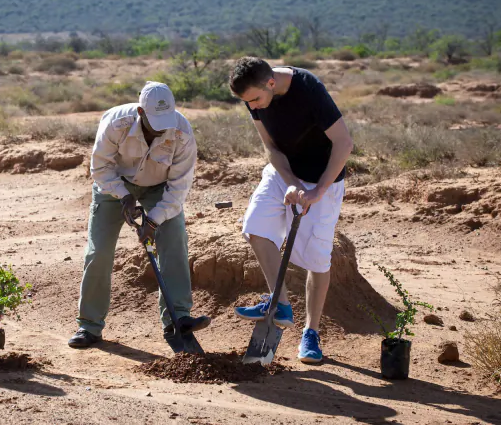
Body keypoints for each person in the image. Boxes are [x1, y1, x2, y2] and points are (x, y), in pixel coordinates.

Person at [228, 57, 353, 364]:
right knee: (255, 227)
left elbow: (344, 143)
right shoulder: (253, 95)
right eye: (248, 103)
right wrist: (290, 184)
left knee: (317, 260)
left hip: (324, 178)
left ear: (271, 82)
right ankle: (280, 303)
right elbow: (271, 147)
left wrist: (316, 191)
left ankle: (311, 332)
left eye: (256, 100)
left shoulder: (309, 89)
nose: (253, 107)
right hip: (285, 173)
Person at [68, 81, 211, 349]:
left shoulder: (182, 132)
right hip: (114, 185)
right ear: (141, 112)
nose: (161, 128)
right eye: (155, 121)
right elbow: (100, 167)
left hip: (160, 188)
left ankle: (177, 320)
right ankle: (89, 325)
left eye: (165, 121)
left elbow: (179, 187)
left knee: (175, 243)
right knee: (98, 252)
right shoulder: (115, 123)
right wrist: (123, 195)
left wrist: (154, 221)